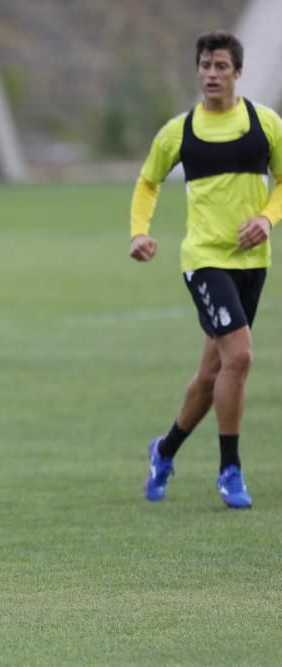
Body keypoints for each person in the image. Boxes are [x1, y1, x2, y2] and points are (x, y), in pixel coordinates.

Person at [131, 31, 282, 508]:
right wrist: (139, 231)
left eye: (220, 66)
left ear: (238, 73)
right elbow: (148, 181)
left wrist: (266, 217)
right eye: (204, 66)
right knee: (239, 356)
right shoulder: (181, 130)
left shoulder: (265, 124)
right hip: (203, 261)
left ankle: (165, 449)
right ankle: (230, 470)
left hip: (252, 263)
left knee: (212, 372)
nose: (211, 75)